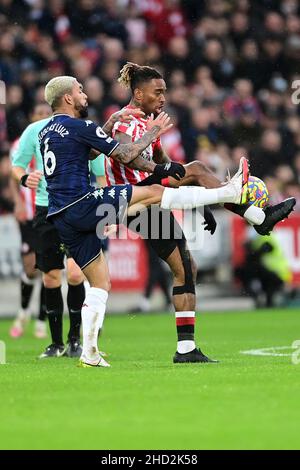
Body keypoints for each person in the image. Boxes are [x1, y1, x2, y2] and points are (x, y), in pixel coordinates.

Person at [39, 75, 250, 367]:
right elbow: (125, 154)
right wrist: (151, 132)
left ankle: (89, 354)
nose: (85, 94)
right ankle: (229, 192)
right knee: (153, 193)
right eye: (80, 90)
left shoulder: (47, 131)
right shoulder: (83, 126)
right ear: (68, 98)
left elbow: (83, 152)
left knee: (100, 284)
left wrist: (109, 124)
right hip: (84, 203)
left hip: (60, 215)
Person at [103, 62, 296, 363]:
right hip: (133, 202)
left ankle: (185, 349)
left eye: (165, 91)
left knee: (187, 268)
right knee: (196, 169)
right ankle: (257, 217)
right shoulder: (125, 123)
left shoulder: (148, 121)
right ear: (138, 94)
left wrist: (203, 200)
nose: (164, 98)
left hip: (151, 203)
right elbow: (129, 158)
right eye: (158, 92)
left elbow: (164, 162)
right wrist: (155, 139)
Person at [12, 104, 86, 358]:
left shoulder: (80, 129)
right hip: (46, 210)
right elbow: (17, 164)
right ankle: (55, 344)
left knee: (76, 275)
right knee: (50, 278)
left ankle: (75, 340)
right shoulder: (33, 132)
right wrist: (24, 178)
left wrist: (103, 213)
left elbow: (98, 174)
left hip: (78, 207)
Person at [9, 103, 49, 339]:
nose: (43, 117)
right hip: (28, 212)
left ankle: (42, 321)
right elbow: (14, 173)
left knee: (46, 266)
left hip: (47, 209)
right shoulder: (22, 142)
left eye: (47, 114)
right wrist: (18, 202)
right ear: (32, 116)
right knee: (30, 267)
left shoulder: (56, 140)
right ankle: (23, 312)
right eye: (39, 114)